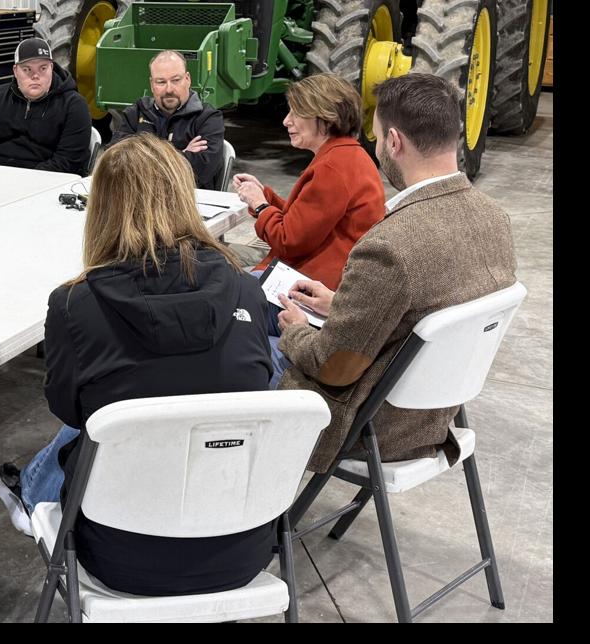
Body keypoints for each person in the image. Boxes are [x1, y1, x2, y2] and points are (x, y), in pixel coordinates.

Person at [0, 134, 275, 596]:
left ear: (101, 207)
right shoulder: (246, 291)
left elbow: (69, 409)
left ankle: (28, 490)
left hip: (120, 553)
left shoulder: (74, 305)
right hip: (241, 547)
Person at [276, 72, 517, 475]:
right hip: (437, 418)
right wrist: (343, 303)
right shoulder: (495, 219)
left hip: (374, 426)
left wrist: (296, 328)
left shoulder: (389, 245)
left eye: (375, 137)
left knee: (243, 352)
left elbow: (332, 366)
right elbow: (429, 306)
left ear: (393, 142)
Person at [230, 73, 385, 385]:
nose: (286, 121)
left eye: (295, 113)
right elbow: (309, 220)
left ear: (324, 118)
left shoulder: (332, 166)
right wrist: (268, 198)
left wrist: (261, 207)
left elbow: (289, 240)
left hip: (310, 289)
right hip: (319, 282)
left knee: (224, 303)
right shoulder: (346, 157)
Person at [0, 37, 91, 173]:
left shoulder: (74, 105)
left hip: (49, 182)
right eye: (27, 69)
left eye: (43, 68)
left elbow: (69, 160)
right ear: (15, 70)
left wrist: (27, 181)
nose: (35, 76)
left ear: (52, 68)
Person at [110, 50, 225, 189]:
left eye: (176, 80)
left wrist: (143, 157)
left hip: (190, 203)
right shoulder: (136, 113)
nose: (169, 89)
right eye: (161, 82)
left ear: (188, 79)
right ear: (152, 84)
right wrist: (182, 154)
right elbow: (115, 160)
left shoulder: (208, 118)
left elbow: (202, 172)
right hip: (139, 198)